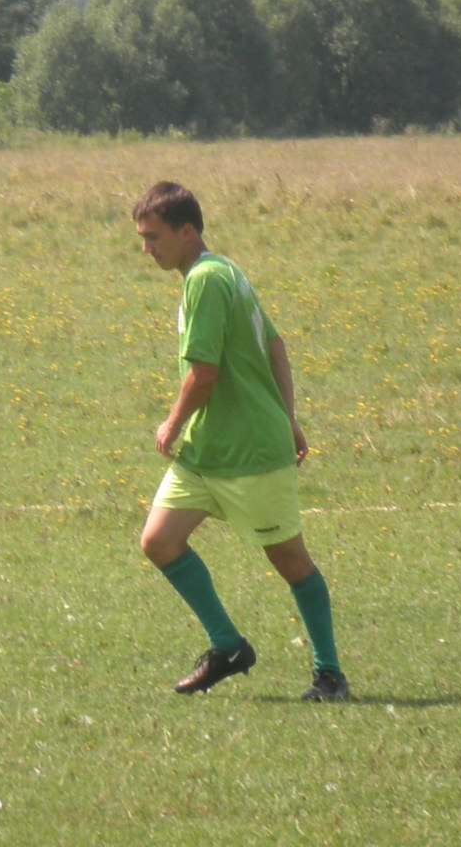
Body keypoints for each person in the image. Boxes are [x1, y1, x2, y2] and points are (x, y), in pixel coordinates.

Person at [132, 180, 349, 702]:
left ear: (187, 231)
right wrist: (288, 417)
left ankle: (330, 675)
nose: (146, 249)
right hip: (207, 452)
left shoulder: (207, 280)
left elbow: (203, 373)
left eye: (154, 237)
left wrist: (172, 423)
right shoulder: (224, 270)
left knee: (289, 560)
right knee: (159, 541)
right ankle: (228, 647)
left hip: (249, 451)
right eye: (142, 238)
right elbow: (275, 346)